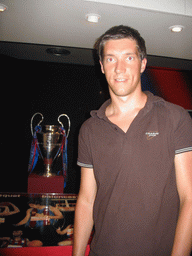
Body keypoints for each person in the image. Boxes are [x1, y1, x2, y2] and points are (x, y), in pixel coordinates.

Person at [73, 25, 192, 256]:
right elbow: (87, 200)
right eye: (110, 59)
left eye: (129, 57)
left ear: (143, 63)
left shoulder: (175, 118)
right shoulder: (89, 129)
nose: (120, 68)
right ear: (101, 66)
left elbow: (190, 197)